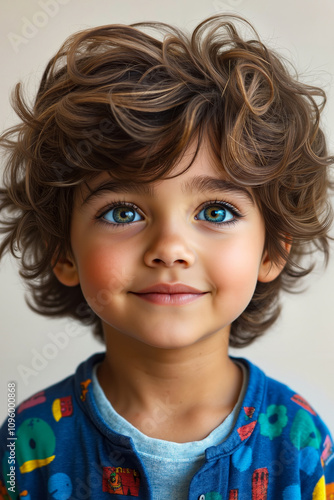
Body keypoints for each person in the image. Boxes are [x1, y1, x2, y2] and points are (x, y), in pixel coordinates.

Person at [0, 14, 333, 500]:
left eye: (216, 211)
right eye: (122, 212)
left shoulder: (301, 443)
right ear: (62, 251)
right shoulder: (22, 446)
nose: (170, 249)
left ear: (272, 249)